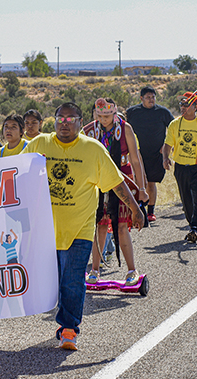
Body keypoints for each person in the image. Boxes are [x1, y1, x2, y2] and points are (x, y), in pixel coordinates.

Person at [22, 102, 144, 350]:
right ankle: (64, 319)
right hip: (45, 229)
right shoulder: (38, 145)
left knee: (74, 279)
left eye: (70, 119)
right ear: (53, 121)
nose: (64, 123)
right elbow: (13, 175)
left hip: (80, 227)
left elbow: (115, 182)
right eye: (60, 118)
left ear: (80, 122)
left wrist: (134, 207)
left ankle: (69, 328)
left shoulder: (93, 150)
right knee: (53, 281)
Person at [83, 98, 148, 286]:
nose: (104, 119)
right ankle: (94, 270)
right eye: (100, 115)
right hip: (99, 180)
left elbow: (135, 160)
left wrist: (141, 188)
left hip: (122, 179)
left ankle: (131, 270)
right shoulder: (89, 130)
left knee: (121, 226)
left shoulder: (125, 129)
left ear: (115, 112)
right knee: (100, 225)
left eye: (107, 115)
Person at [162, 92, 197, 241]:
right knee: (186, 199)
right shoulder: (175, 124)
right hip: (181, 167)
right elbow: (168, 144)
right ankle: (192, 224)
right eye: (181, 105)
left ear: (195, 107)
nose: (182, 107)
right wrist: (165, 157)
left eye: (186, 105)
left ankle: (196, 227)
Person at [126, 86, 174, 222]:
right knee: (136, 182)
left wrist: (166, 146)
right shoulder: (132, 112)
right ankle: (138, 210)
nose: (151, 100)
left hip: (156, 154)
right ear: (141, 98)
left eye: (153, 97)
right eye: (148, 97)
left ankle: (151, 212)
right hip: (136, 154)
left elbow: (173, 129)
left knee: (151, 183)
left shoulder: (163, 112)